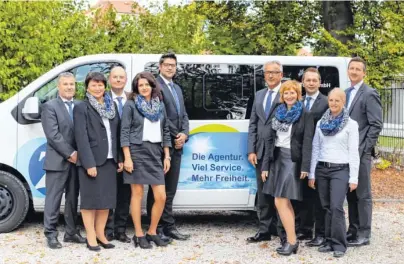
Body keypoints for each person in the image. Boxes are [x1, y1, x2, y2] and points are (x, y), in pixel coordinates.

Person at [261, 80, 314, 256]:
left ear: (298, 94)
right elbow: (269, 139)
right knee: (284, 202)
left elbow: (308, 142)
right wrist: (265, 165)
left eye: (292, 93)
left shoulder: (305, 114)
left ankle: (291, 241)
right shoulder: (278, 111)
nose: (289, 96)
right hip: (276, 158)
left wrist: (306, 166)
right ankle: (292, 241)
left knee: (280, 201)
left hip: (292, 160)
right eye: (286, 93)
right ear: (282, 95)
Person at [121, 71, 171, 249]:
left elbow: (165, 131)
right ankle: (139, 234)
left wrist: (167, 154)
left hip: (156, 152)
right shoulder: (131, 105)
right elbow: (124, 131)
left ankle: (152, 231)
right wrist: (127, 157)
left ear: (152, 86)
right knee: (137, 194)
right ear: (136, 87)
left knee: (161, 196)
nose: (144, 88)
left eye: (146, 85)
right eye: (140, 85)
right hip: (137, 151)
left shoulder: (160, 105)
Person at [74, 72, 123, 251]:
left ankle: (101, 233)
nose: (97, 88)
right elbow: (81, 137)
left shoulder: (112, 106)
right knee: (90, 201)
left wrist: (119, 158)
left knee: (106, 202)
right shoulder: (81, 107)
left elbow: (116, 134)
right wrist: (89, 163)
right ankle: (91, 236)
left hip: (110, 160)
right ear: (87, 87)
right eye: (94, 85)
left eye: (100, 84)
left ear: (105, 86)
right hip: (92, 161)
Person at [309, 88, 360, 258]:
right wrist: (312, 173)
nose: (334, 103)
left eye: (337, 100)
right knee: (325, 207)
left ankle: (339, 244)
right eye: (331, 100)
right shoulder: (321, 123)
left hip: (341, 169)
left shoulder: (351, 124)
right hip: (322, 168)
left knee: (336, 207)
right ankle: (329, 240)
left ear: (343, 102)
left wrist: (354, 177)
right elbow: (316, 147)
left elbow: (354, 152)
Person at [146, 52, 190, 241]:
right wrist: (175, 135)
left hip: (177, 145)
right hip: (162, 145)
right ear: (160, 66)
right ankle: (155, 227)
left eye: (173, 65)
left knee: (170, 189)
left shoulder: (177, 88)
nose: (170, 68)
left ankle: (168, 226)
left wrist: (184, 134)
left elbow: (184, 115)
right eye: (167, 65)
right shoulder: (155, 87)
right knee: (157, 189)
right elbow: (161, 116)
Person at [41, 72, 86, 249]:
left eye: (72, 84)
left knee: (72, 198)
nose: (69, 87)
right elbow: (53, 135)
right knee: (53, 198)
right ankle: (50, 234)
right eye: (65, 84)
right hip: (58, 161)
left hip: (77, 162)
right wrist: (71, 154)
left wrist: (80, 155)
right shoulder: (50, 106)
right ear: (59, 86)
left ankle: (71, 232)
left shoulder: (80, 105)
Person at [345, 57, 383, 247]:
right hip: (346, 153)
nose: (354, 71)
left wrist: (365, 150)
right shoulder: (346, 93)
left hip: (361, 153)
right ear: (347, 71)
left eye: (358, 69)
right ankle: (352, 230)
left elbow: (376, 124)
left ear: (364, 72)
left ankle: (364, 233)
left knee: (363, 194)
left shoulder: (369, 93)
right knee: (350, 193)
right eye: (351, 68)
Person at [246, 61, 282, 243]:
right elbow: (253, 123)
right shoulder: (259, 95)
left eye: (274, 72)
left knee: (281, 192)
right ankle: (264, 230)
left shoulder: (287, 94)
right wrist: (251, 149)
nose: (270, 75)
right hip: (260, 152)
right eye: (268, 72)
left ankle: (282, 230)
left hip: (280, 151)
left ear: (281, 74)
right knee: (263, 192)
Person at [296, 68, 329, 246]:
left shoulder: (326, 102)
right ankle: (305, 229)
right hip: (300, 155)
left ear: (319, 82)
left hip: (319, 153)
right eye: (307, 80)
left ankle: (321, 233)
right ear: (303, 82)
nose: (310, 83)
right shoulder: (298, 101)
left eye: (314, 80)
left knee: (318, 195)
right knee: (304, 195)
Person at [105, 66, 131, 243]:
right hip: (109, 155)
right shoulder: (102, 99)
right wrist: (117, 157)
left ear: (126, 79)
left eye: (121, 77)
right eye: (115, 77)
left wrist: (126, 157)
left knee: (125, 193)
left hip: (130, 155)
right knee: (108, 193)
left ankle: (121, 229)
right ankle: (107, 229)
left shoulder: (133, 98)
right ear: (109, 80)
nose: (118, 80)